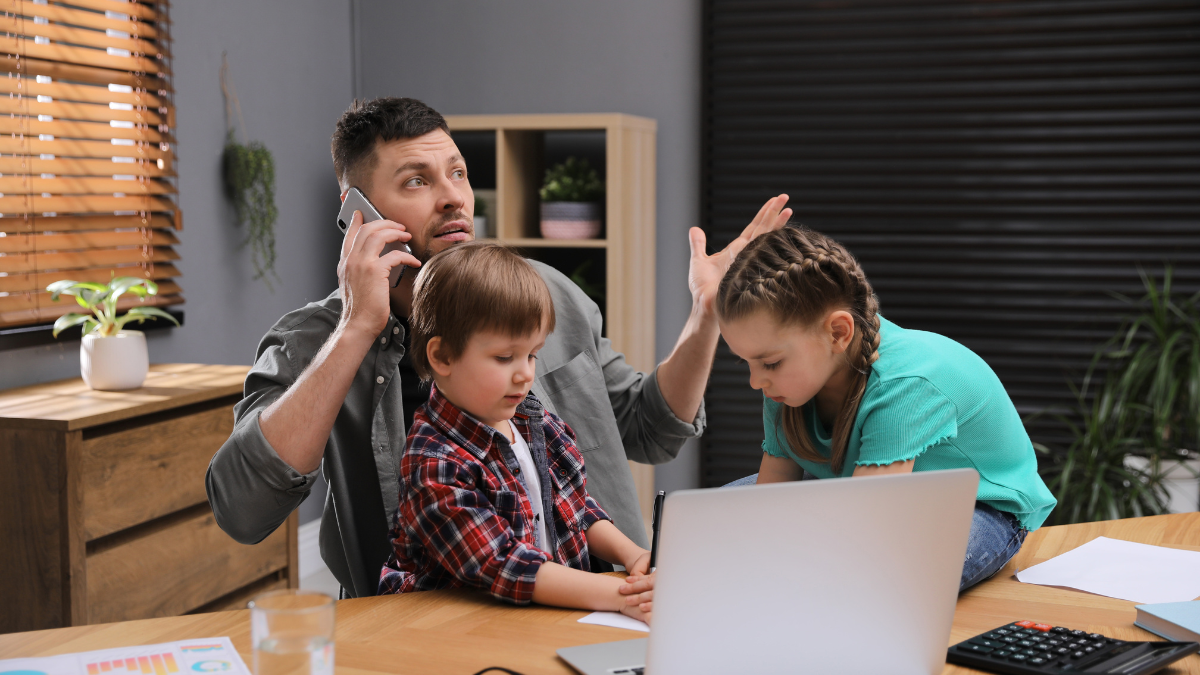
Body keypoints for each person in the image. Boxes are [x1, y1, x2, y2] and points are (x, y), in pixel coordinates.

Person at [205, 96, 792, 597]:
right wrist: (357, 325)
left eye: (458, 173)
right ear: (357, 214)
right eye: (417, 180)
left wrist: (706, 315)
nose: (454, 198)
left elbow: (650, 430)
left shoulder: (543, 294)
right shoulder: (313, 339)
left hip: (592, 598)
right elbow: (243, 510)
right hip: (428, 627)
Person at [716, 225, 1057, 591]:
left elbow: (864, 530)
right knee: (709, 522)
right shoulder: (786, 384)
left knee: (884, 583)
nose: (755, 381)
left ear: (838, 333)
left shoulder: (906, 385)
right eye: (746, 363)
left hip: (975, 506)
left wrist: (762, 571)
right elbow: (775, 488)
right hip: (860, 486)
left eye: (768, 363)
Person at [378, 242, 654, 622]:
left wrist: (633, 554)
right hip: (456, 632)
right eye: (505, 358)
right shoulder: (434, 461)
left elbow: (576, 509)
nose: (526, 373)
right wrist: (619, 594)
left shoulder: (539, 425)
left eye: (532, 354)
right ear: (441, 357)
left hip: (537, 614)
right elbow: (504, 564)